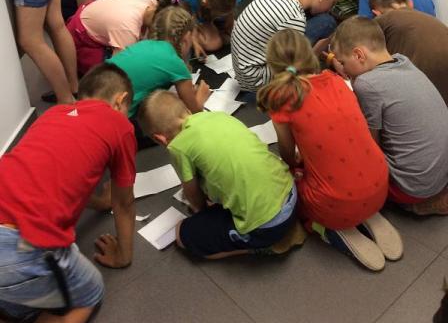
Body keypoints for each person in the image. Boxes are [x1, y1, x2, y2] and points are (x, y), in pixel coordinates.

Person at [0, 63, 137, 323]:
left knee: (18, 296)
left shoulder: (52, 114)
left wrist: (100, 202)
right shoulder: (119, 125)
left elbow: (57, 180)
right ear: (121, 101)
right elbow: (125, 203)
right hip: (19, 243)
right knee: (90, 293)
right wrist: (123, 256)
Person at [257, 29, 402, 270]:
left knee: (291, 183)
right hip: (380, 186)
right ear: (309, 55)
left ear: (272, 66)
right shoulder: (335, 80)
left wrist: (295, 167)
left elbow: (287, 154)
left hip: (336, 204)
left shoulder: (281, 99)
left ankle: (331, 229)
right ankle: (365, 211)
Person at [140, 90, 305, 259]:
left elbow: (193, 196)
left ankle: (262, 246)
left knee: (182, 235)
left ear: (160, 138)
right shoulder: (218, 116)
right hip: (291, 192)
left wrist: (202, 214)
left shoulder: (177, 147)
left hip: (268, 226)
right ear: (187, 110)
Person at [331, 17, 448, 216]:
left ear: (359, 54)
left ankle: (416, 206)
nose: (344, 70)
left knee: (346, 148)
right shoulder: (404, 61)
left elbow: (370, 147)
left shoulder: (367, 83)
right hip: (441, 174)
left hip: (412, 187)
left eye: (343, 62)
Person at [231, 0, 346, 92]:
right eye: (332, 2)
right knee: (327, 22)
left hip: (243, 69)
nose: (330, 8)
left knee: (325, 20)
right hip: (257, 81)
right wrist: (317, 52)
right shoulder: (294, 18)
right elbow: (294, 67)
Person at [108, 6, 210, 147]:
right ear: (186, 38)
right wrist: (201, 97)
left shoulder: (143, 44)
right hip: (115, 125)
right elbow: (195, 112)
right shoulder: (175, 62)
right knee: (174, 123)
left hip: (94, 97)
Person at [369, 0, 448, 105]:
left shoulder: (384, 20)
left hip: (423, 96)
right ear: (410, 3)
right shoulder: (434, 21)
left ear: (376, 13)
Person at [67, 0, 158, 75]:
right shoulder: (128, 29)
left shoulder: (151, 0)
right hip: (79, 36)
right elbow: (117, 68)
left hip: (90, 14)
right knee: (109, 73)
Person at [175, 0, 241, 59]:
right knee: (213, 45)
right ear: (206, 4)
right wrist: (195, 43)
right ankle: (212, 32)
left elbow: (230, 15)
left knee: (240, 33)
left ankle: (216, 31)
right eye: (220, 13)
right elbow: (189, 23)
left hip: (213, 18)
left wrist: (229, 30)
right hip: (200, 20)